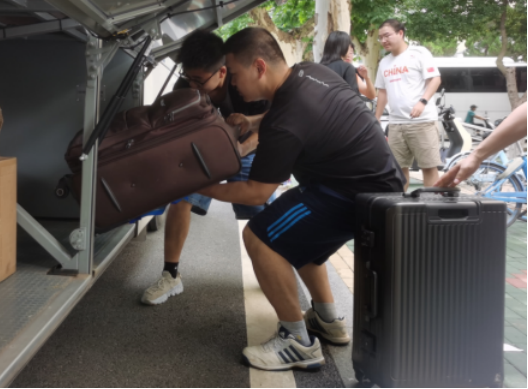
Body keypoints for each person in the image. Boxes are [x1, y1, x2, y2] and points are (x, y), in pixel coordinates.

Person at [198, 27, 405, 372]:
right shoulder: (310, 73)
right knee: (299, 238)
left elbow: (255, 192)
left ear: (259, 67)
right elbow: (287, 115)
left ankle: (297, 342)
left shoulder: (285, 120)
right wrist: (251, 120)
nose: (232, 84)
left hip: (350, 195)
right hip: (377, 187)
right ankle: (327, 319)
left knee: (260, 237)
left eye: (233, 74)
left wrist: (197, 187)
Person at [141, 31, 275, 306]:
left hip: (247, 148)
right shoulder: (185, 86)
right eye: (189, 77)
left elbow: (269, 126)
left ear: (223, 72)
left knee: (261, 211)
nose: (193, 85)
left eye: (199, 80)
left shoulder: (247, 83)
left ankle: (274, 270)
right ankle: (170, 275)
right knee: (181, 199)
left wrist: (241, 149)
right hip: (204, 153)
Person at [375, 19, 443, 190]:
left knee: (428, 167)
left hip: (422, 122)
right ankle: (400, 204)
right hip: (396, 124)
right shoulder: (384, 62)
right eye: (380, 37)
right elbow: (382, 92)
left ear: (400, 33)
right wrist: (376, 117)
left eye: (387, 35)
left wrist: (422, 102)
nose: (383, 40)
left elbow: (435, 79)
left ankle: (431, 205)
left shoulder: (419, 53)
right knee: (398, 169)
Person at [437, 104, 527, 188]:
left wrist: (476, 156)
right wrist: (476, 157)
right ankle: (477, 132)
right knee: (480, 125)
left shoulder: (470, 112)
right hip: (471, 123)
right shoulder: (471, 112)